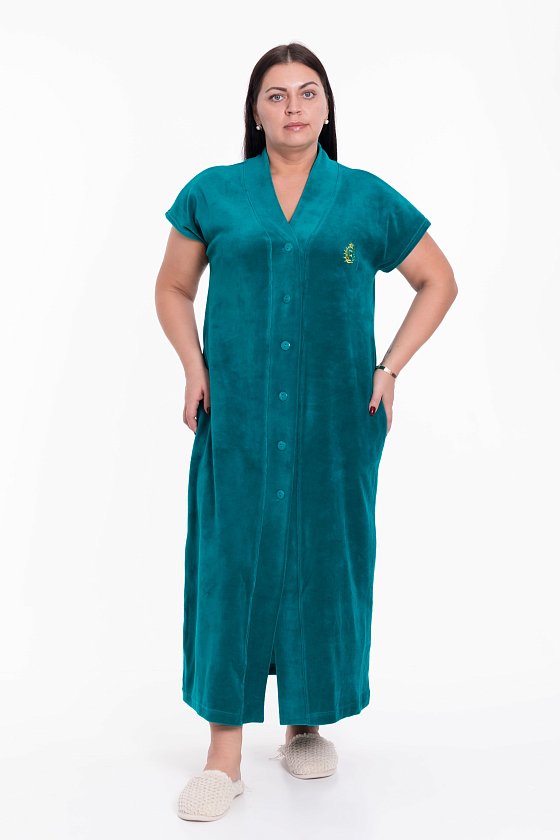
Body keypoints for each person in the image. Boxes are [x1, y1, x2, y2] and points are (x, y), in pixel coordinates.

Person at [155, 42, 457, 821]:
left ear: (327, 108)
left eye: (308, 92)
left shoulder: (364, 199)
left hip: (336, 422)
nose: (293, 107)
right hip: (239, 417)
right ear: (255, 112)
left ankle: (306, 722)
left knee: (324, 560)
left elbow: (438, 280)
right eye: (276, 94)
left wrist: (389, 369)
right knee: (230, 565)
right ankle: (224, 757)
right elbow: (173, 287)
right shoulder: (214, 192)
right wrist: (193, 366)